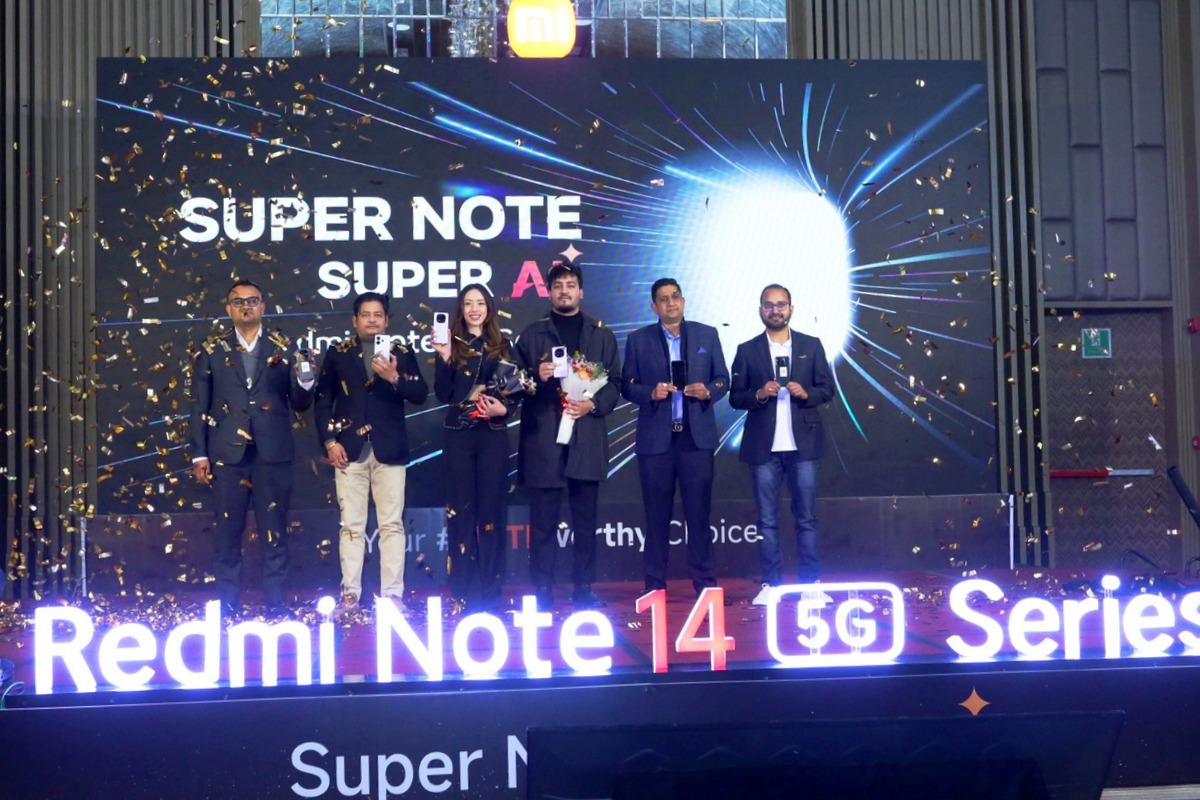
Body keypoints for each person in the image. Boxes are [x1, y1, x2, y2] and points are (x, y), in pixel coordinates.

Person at [188, 279, 315, 615]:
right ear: (228, 308)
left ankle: (276, 607)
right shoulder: (212, 350)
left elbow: (300, 403)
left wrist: (306, 382)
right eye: (239, 301)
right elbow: (200, 404)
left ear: (263, 306)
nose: (246, 306)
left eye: (252, 300)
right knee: (227, 536)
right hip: (228, 456)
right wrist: (199, 453)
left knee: (275, 534)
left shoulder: (285, 348)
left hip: (272, 455)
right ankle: (228, 607)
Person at [514, 263, 621, 611]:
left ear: (581, 292)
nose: (564, 291)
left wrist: (593, 404)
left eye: (571, 285)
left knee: (585, 520)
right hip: (544, 439)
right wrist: (535, 375)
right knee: (543, 521)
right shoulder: (533, 334)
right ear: (548, 291)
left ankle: (584, 588)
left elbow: (615, 383)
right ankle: (542, 589)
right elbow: (511, 384)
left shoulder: (601, 335)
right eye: (558, 285)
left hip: (586, 437)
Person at [313, 291, 428, 616]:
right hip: (348, 451)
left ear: (387, 320)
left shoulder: (401, 352)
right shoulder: (338, 353)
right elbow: (323, 402)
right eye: (366, 314)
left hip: (389, 450)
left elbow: (420, 393)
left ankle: (392, 597)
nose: (372, 320)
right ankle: (350, 595)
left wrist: (393, 377)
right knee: (351, 525)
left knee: (391, 524)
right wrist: (329, 442)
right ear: (355, 320)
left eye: (378, 314)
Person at [621, 278, 729, 597]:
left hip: (696, 440)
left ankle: (705, 584)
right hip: (656, 441)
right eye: (663, 299)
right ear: (654, 307)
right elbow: (626, 386)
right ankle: (654, 586)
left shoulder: (707, 334)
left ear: (683, 301)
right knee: (656, 516)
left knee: (699, 514)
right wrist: (650, 392)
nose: (671, 303)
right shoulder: (638, 340)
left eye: (675, 297)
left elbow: (723, 379)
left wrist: (708, 391)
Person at [729, 284, 835, 604]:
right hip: (763, 447)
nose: (775, 310)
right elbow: (735, 397)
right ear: (760, 310)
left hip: (803, 445)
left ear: (791, 308)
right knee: (766, 520)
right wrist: (760, 394)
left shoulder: (811, 345)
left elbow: (827, 389)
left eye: (781, 304)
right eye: (769, 305)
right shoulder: (747, 350)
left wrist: (807, 393)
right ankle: (771, 585)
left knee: (806, 517)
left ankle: (811, 584)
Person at [432, 284, 516, 615]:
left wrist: (504, 409)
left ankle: (491, 593)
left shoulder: (504, 345)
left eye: (480, 303)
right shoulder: (451, 344)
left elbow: (515, 392)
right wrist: (443, 358)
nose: (474, 309)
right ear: (461, 309)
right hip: (459, 436)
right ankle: (463, 591)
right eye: (468, 303)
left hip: (492, 435)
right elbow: (443, 394)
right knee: (461, 514)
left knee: (492, 514)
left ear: (489, 308)